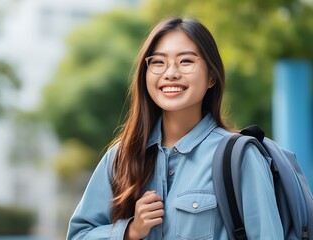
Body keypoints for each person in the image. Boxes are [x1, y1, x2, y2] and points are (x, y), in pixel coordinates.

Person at [66, 17, 283, 240]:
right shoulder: (122, 156)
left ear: (211, 77)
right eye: (158, 62)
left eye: (186, 61)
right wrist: (130, 231)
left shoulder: (239, 157)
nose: (170, 73)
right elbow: (79, 235)